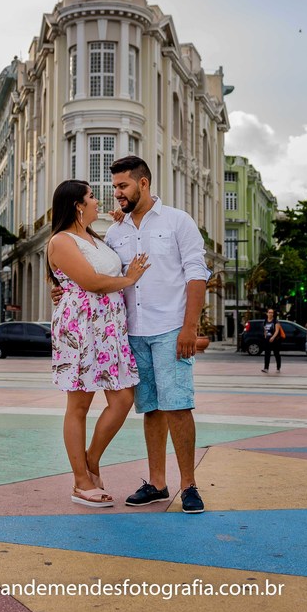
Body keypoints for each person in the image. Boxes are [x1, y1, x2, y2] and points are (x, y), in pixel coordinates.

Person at [104, 155, 211, 514]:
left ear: (143, 183)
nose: (117, 193)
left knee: (177, 406)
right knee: (151, 409)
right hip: (134, 332)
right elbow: (105, 277)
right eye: (115, 187)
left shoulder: (178, 221)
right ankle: (157, 483)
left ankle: (189, 485)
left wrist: (189, 327)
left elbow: (196, 274)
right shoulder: (115, 232)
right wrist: (63, 291)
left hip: (171, 329)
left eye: (122, 186)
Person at [47, 179, 150, 507]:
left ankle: (90, 460)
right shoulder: (61, 241)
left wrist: (122, 219)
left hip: (109, 328)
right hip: (81, 327)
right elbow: (90, 281)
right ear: (78, 205)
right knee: (78, 405)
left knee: (123, 398)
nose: (97, 201)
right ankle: (81, 482)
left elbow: (104, 265)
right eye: (91, 197)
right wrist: (129, 279)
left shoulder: (95, 237)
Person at [261, 308, 284, 374]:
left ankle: (278, 368)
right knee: (267, 354)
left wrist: (273, 337)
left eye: (272, 313)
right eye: (269, 312)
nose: (270, 314)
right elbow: (265, 329)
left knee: (276, 354)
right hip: (267, 340)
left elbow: (277, 331)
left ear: (273, 314)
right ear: (267, 313)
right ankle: (266, 368)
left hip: (275, 340)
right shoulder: (265, 321)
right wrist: (265, 336)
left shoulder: (275, 321)